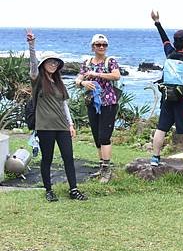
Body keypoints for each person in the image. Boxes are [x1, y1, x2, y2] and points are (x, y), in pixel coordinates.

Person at [26, 29, 87, 201]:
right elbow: (32, 66)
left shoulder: (59, 83)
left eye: (55, 63)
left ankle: (73, 190)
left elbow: (64, 105)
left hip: (62, 126)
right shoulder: (37, 80)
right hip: (45, 126)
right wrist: (32, 45)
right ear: (43, 64)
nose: (53, 64)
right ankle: (48, 190)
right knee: (47, 159)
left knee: (68, 157)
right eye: (50, 62)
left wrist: (71, 125)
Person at [150, 10, 183, 170]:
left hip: (168, 96)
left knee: (161, 128)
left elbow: (164, 40)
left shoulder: (170, 53)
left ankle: (155, 158)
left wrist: (157, 22)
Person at [74, 33, 121, 183]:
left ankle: (107, 169)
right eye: (98, 44)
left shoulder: (110, 61)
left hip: (108, 103)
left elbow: (116, 76)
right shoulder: (87, 62)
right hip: (92, 103)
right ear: (93, 46)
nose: (101, 47)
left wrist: (96, 74)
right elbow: (78, 79)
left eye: (104, 45)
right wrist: (83, 83)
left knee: (104, 136)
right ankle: (101, 167)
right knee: (96, 137)